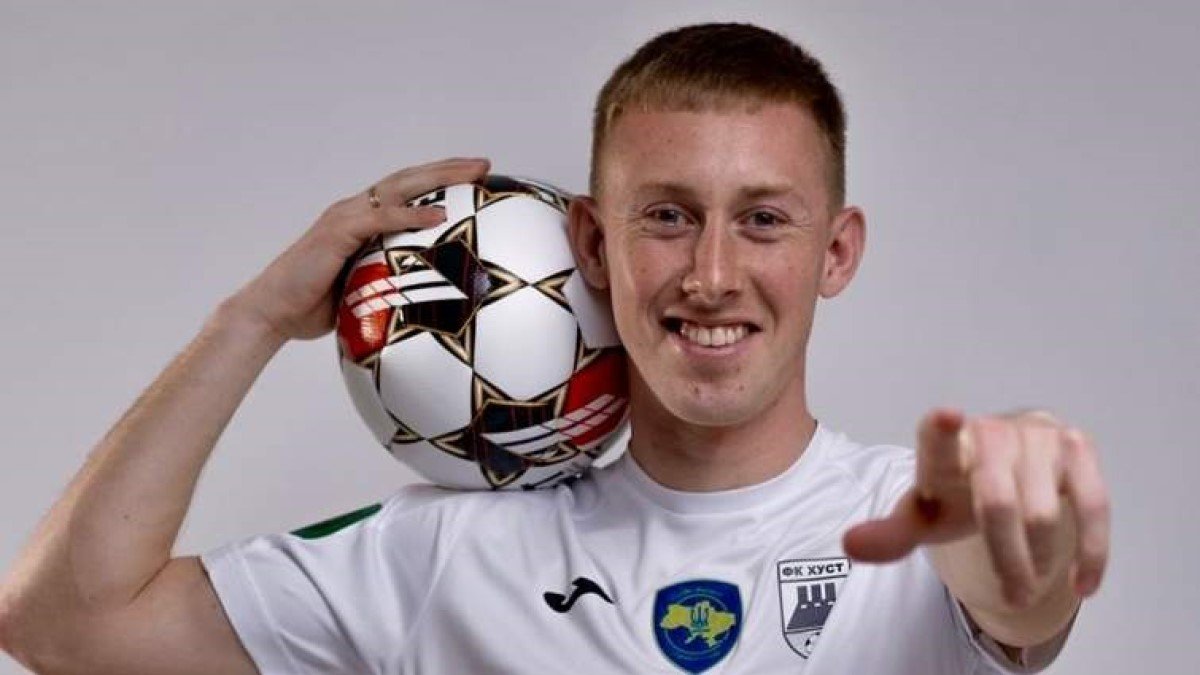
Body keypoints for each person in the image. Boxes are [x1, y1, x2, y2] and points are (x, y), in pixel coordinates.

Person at [0, 22, 1108, 674]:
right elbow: (61, 621)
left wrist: (1023, 508)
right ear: (590, 241)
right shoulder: (442, 553)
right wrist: (247, 321)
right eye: (666, 215)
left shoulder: (916, 519)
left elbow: (1020, 595)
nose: (712, 274)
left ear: (838, 250)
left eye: (764, 219)